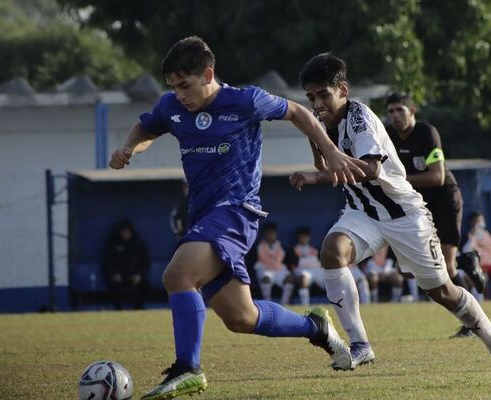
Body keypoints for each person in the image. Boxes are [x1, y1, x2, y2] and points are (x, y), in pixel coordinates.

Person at [109, 37, 367, 399]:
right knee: (241, 317)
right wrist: (128, 148)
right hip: (203, 214)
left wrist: (331, 152)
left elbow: (298, 112)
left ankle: (188, 369)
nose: (179, 94)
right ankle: (316, 328)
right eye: (173, 86)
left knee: (178, 275)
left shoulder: (245, 101)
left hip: (236, 211)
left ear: (208, 74)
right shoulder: (172, 106)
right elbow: (147, 126)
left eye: (185, 85)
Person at [290, 53, 491, 383]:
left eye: (323, 94)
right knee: (331, 252)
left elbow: (370, 169)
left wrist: (316, 176)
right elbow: (325, 166)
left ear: (343, 89)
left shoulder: (360, 120)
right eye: (311, 97)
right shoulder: (324, 122)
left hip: (403, 215)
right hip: (363, 213)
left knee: (442, 292)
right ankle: (360, 344)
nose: (318, 103)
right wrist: (317, 138)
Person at [384, 93, 485, 295]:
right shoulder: (388, 136)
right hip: (419, 204)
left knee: (447, 269)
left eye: (400, 110)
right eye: (391, 111)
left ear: (412, 111)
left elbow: (437, 177)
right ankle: (465, 260)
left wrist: (397, 181)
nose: (395, 115)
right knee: (405, 271)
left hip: (444, 198)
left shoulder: (426, 132)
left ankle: (475, 323)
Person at [101, 219, 150, 310]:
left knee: (145, 286)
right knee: (113, 287)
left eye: (127, 231)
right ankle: (118, 310)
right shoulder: (112, 245)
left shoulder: (139, 245)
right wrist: (113, 274)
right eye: (123, 231)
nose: (125, 233)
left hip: (134, 277)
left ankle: (138, 310)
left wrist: (139, 275)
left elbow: (145, 262)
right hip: (118, 278)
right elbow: (108, 263)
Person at [254, 222, 294, 305]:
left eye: (272, 233)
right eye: (268, 233)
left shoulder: (282, 246)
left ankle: (284, 303)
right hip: (264, 270)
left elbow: (287, 261)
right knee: (266, 278)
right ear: (264, 234)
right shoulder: (258, 246)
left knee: (289, 279)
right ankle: (268, 303)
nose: (270, 235)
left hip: (279, 270)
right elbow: (253, 261)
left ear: (275, 234)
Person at [291, 226, 324, 306]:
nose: (303, 239)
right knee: (304, 279)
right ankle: (305, 306)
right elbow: (294, 264)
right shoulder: (293, 249)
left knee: (330, 282)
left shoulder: (314, 249)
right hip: (301, 271)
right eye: (301, 237)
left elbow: (319, 263)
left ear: (309, 238)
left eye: (305, 237)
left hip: (316, 271)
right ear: (298, 238)